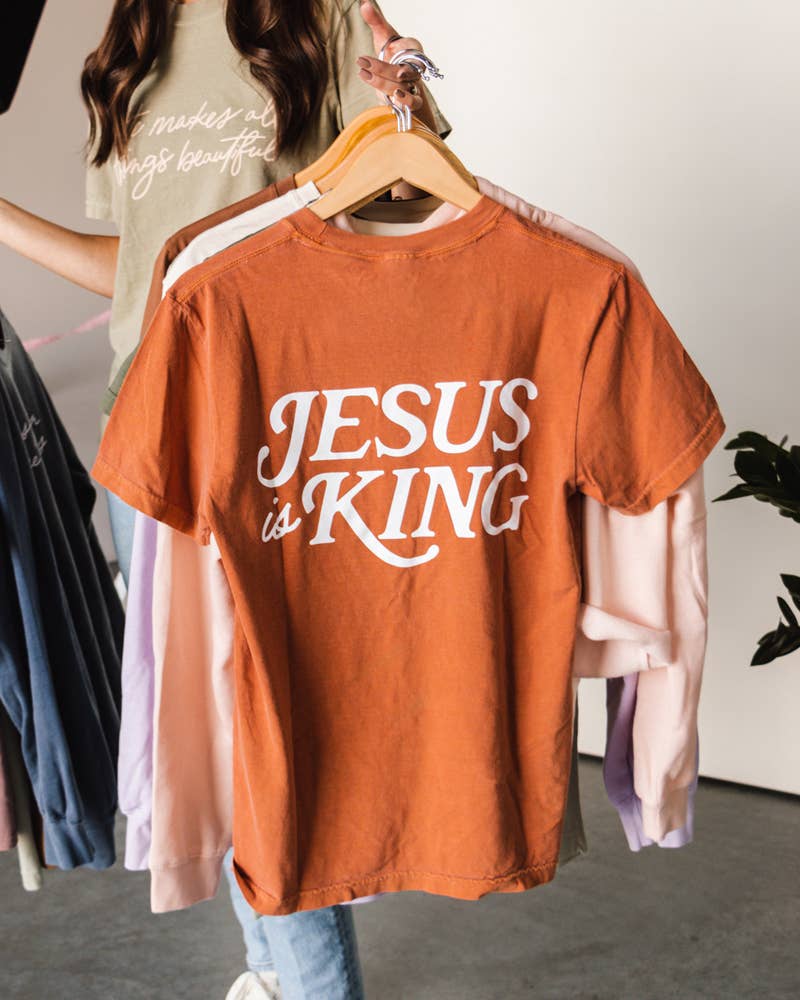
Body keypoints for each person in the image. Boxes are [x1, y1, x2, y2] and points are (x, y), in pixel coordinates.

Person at [0, 2, 451, 997]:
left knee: (260, 737)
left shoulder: (321, 18)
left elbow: (405, 203)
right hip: (145, 427)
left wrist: (407, 94)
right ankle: (271, 971)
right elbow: (140, 270)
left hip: (275, 424)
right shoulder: (128, 44)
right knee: (217, 728)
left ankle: (312, 985)